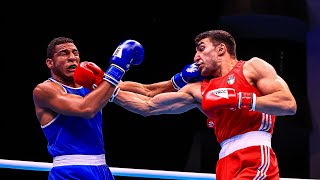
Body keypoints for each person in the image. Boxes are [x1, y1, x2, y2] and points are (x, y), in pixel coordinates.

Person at [112, 30, 297, 179]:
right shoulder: (200, 89)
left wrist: (238, 98)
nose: (195, 57)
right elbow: (149, 104)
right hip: (224, 162)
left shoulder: (252, 67)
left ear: (221, 49)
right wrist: (108, 90)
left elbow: (288, 104)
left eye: (201, 48)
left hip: (254, 156)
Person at [32, 37, 144, 180]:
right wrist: (118, 67)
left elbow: (145, 91)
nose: (72, 58)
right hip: (70, 171)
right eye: (64, 53)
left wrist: (179, 80)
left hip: (102, 169)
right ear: (50, 63)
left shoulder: (92, 86)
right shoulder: (44, 90)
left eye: (75, 53)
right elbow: (86, 108)